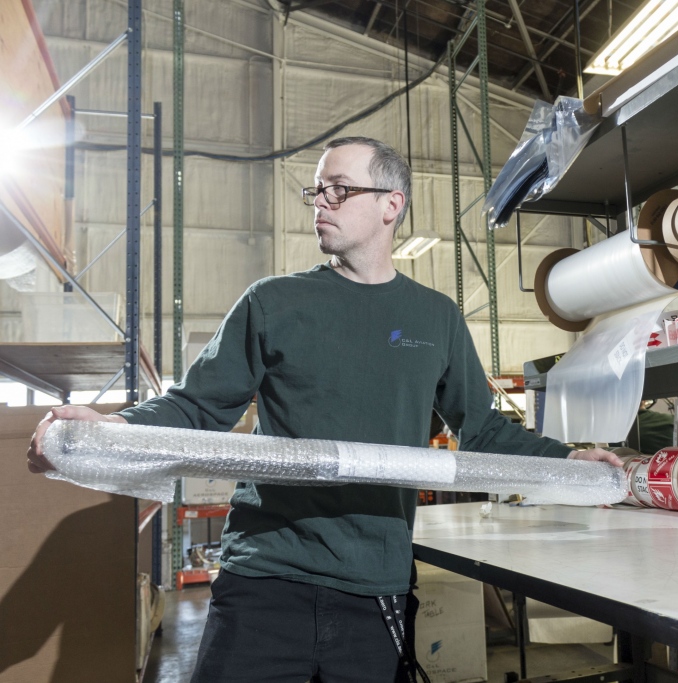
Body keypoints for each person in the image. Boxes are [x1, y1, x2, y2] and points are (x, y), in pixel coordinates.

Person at [26, 136, 621, 683]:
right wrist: (118, 427)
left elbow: (484, 429)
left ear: (392, 204)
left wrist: (569, 461)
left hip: (375, 586)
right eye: (317, 190)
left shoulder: (435, 318)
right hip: (265, 576)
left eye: (339, 189)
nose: (321, 202)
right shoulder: (274, 302)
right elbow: (199, 405)